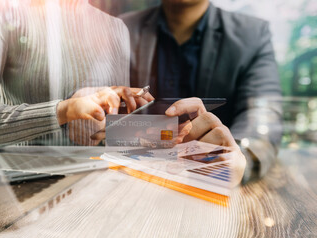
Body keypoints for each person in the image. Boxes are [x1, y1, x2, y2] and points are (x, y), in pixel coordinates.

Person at [120, 0, 283, 183]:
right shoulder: (119, 29)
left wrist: (236, 157)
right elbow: (97, 113)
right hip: (128, 180)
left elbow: (263, 118)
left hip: (211, 187)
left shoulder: (252, 34)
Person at [0, 0, 153, 146]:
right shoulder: (0, 10)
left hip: (98, 184)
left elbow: (113, 136)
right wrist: (64, 110)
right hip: (28, 185)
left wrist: (162, 136)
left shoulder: (116, 29)